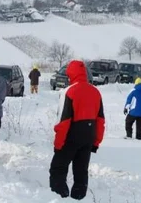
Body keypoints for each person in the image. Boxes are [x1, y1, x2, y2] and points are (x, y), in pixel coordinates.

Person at [49, 60, 105, 200]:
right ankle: (78, 198)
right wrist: (96, 142)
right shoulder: (95, 91)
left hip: (71, 136)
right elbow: (100, 120)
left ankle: (59, 197)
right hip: (89, 136)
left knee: (58, 168)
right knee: (81, 171)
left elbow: (63, 121)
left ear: (70, 74)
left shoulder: (69, 91)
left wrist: (58, 144)